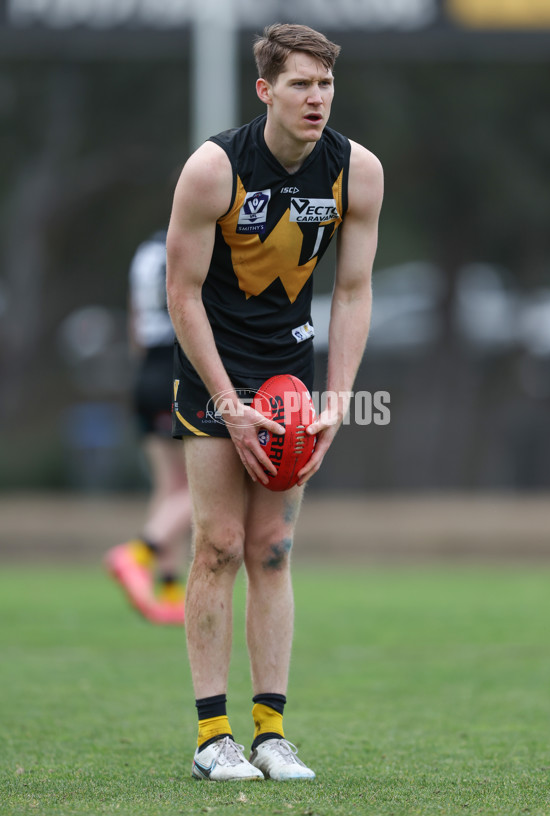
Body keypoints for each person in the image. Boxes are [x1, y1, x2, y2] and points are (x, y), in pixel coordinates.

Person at [166, 22, 384, 780]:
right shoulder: (213, 169)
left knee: (275, 549)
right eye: (300, 84)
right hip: (212, 372)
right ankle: (211, 738)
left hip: (292, 381)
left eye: (325, 84)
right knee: (219, 544)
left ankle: (271, 733)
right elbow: (181, 294)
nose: (316, 98)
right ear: (265, 90)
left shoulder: (357, 170)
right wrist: (227, 402)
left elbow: (353, 292)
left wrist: (335, 402)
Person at [105, 229, 192, 625]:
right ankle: (139, 552)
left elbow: (135, 325)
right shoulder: (192, 240)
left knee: (170, 488)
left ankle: (171, 591)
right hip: (180, 366)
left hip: (147, 374)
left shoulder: (145, 251)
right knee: (206, 487)